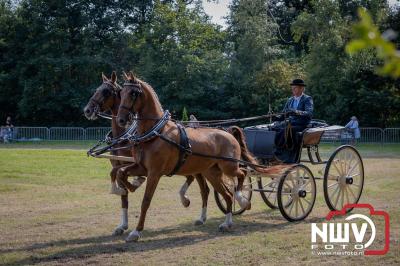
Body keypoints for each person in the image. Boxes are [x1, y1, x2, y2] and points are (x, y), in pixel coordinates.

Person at [272, 79, 314, 163]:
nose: (293, 90)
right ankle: (274, 151)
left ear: (302, 88)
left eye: (295, 88)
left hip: (301, 124)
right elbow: (283, 115)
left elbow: (309, 113)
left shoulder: (307, 99)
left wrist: (296, 112)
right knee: (273, 128)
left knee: (283, 131)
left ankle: (281, 154)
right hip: (290, 124)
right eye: (292, 88)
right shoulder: (290, 100)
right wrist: (274, 116)